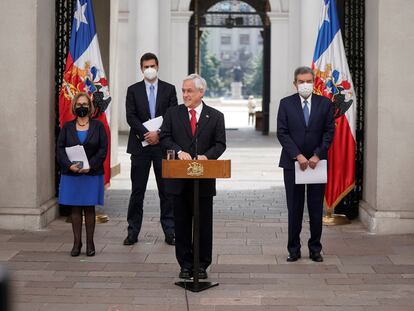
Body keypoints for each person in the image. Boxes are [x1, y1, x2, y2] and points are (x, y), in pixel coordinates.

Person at [160, 74, 226, 280]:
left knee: (203, 223)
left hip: (203, 180)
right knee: (181, 223)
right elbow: (165, 137)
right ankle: (185, 264)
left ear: (201, 92)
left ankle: (201, 265)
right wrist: (179, 151)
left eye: (189, 91)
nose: (185, 95)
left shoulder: (215, 116)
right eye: (184, 91)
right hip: (179, 181)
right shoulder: (173, 113)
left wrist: (207, 156)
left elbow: (220, 144)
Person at [276, 66, 335, 263]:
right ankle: (293, 249)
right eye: (301, 82)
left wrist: (317, 155)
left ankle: (315, 248)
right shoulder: (286, 104)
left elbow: (329, 132)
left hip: (317, 164)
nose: (305, 85)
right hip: (293, 164)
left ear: (314, 82)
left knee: (316, 208)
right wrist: (298, 156)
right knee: (295, 208)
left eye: (308, 81)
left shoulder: (325, 104)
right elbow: (282, 132)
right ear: (295, 84)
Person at [124, 52, 178, 246]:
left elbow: (173, 115)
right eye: (146, 66)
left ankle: (170, 231)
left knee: (167, 191)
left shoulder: (169, 90)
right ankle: (133, 231)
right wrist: (147, 133)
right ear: (141, 68)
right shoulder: (133, 90)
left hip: (162, 148)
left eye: (152, 65)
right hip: (140, 147)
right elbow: (130, 116)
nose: (149, 69)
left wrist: (159, 134)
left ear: (158, 66)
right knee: (137, 191)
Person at [57, 92, 108, 257]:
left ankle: (90, 243)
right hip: (71, 174)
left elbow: (103, 149)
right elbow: (60, 149)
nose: (82, 107)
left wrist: (90, 166)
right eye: (79, 104)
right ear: (74, 106)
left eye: (85, 104)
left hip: (91, 174)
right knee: (75, 209)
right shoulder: (67, 127)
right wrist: (69, 165)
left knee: (89, 207)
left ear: (90, 106)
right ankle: (76, 243)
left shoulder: (98, 126)